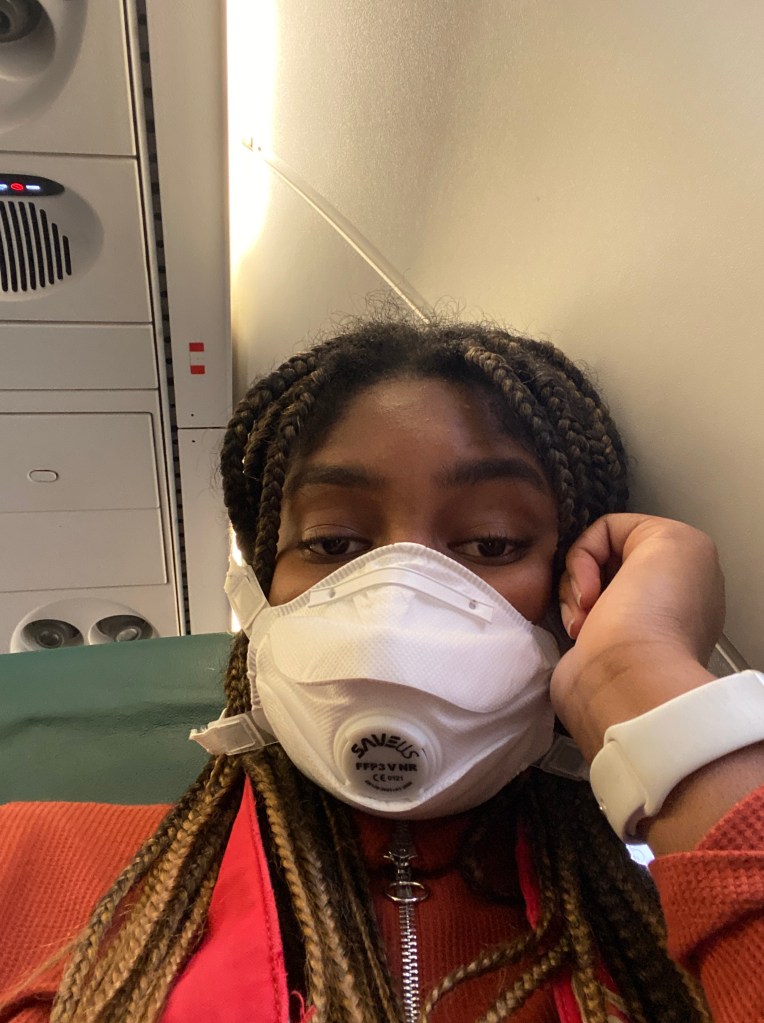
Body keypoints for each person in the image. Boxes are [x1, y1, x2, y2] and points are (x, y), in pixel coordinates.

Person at [1, 318, 763, 1023]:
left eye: (492, 542)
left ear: (581, 590)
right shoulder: (27, 861)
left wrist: (638, 676)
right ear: (260, 594)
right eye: (333, 543)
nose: (395, 617)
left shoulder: (686, 917)